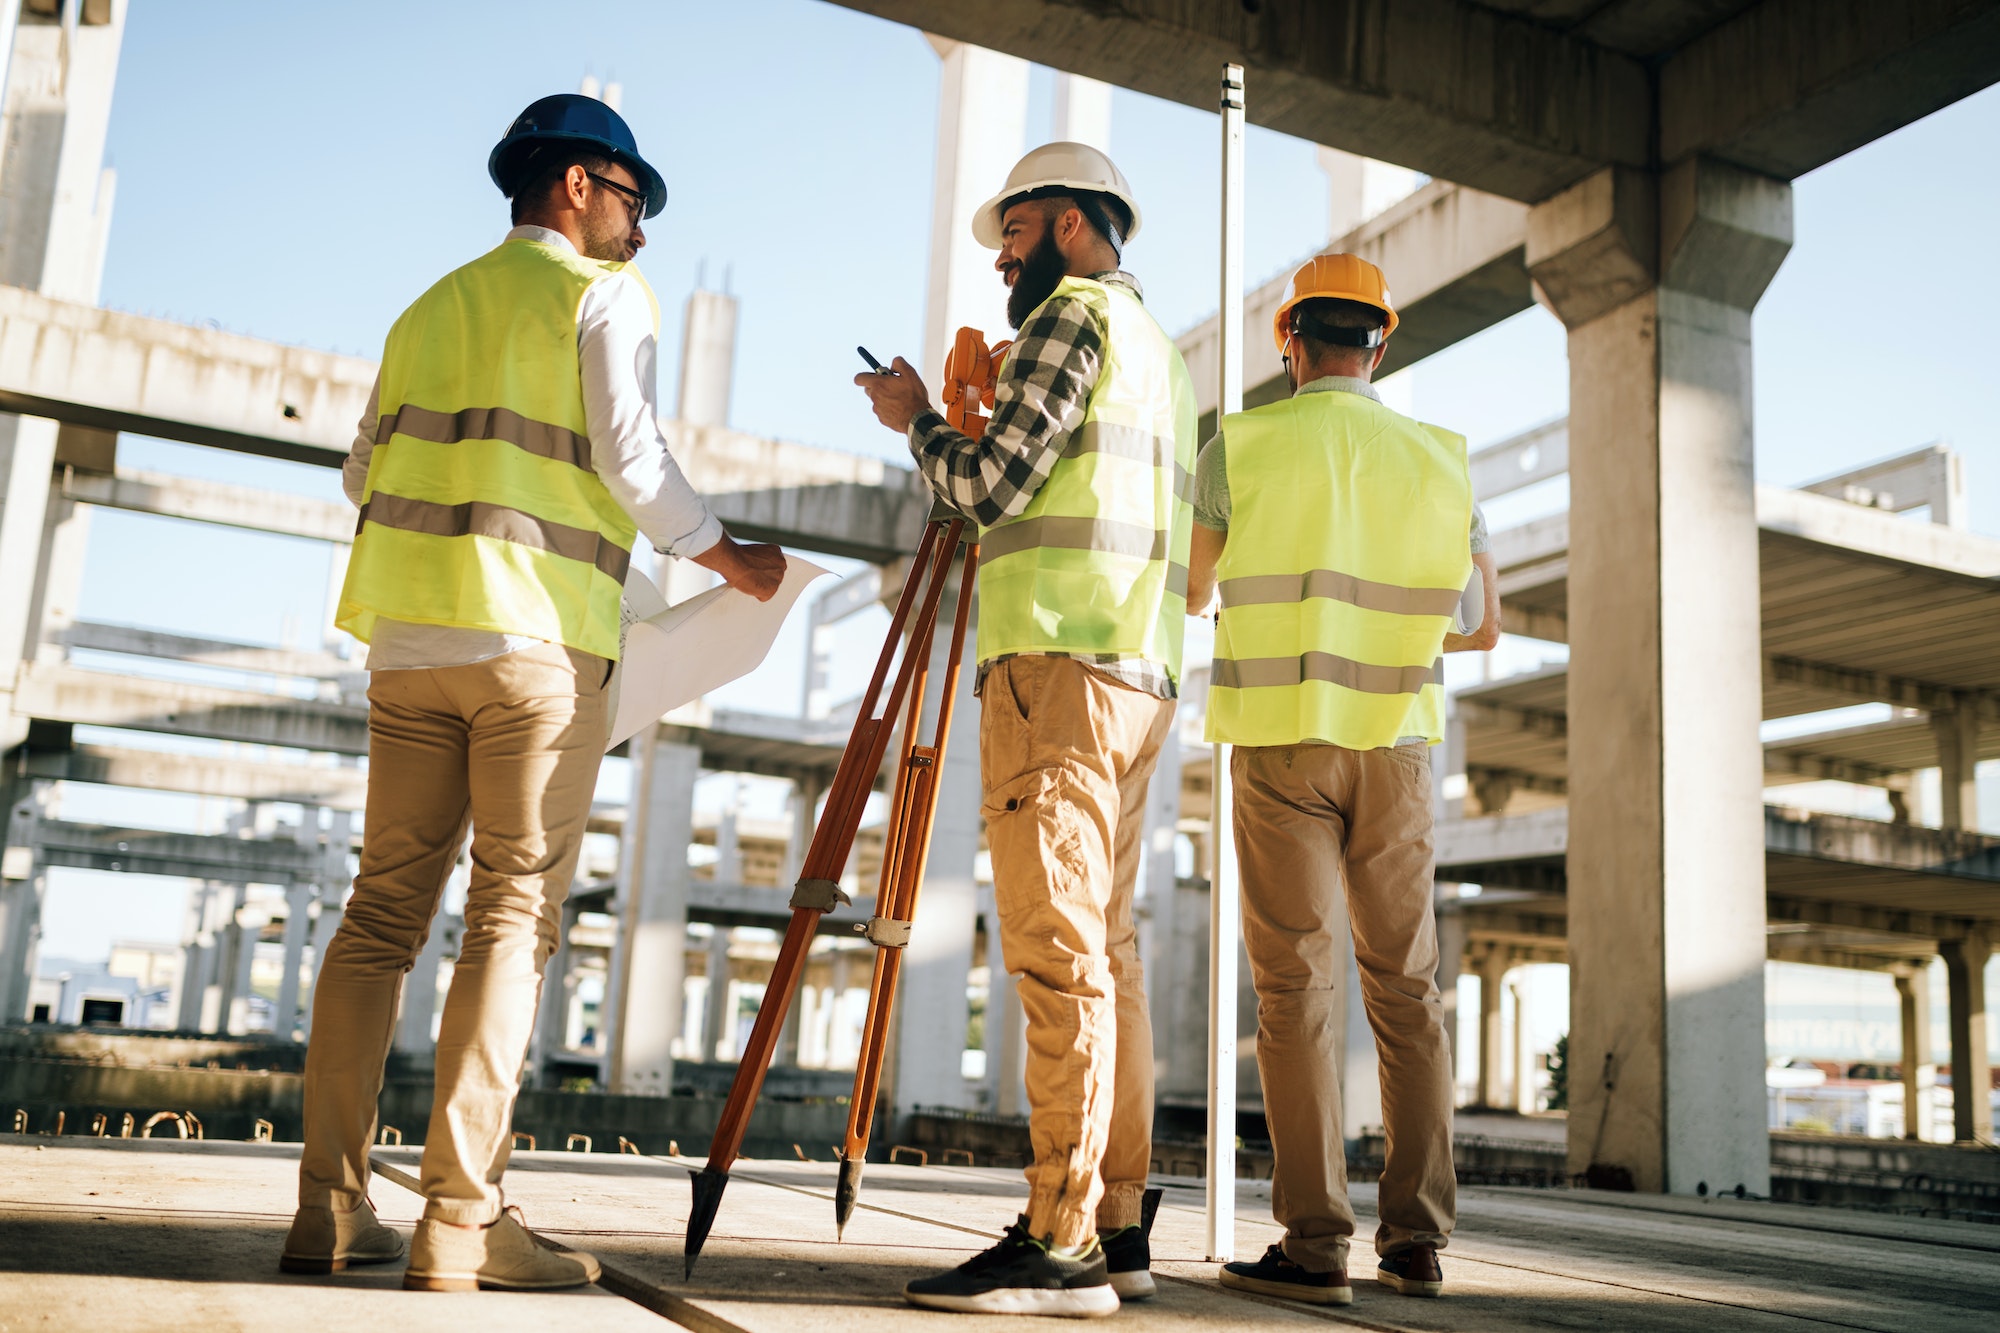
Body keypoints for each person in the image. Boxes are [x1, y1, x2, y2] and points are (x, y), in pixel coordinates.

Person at [281, 93, 784, 1293]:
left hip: (409, 640)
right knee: (510, 915)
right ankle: (460, 1220)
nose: (641, 231)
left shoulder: (428, 308)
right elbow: (631, 457)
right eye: (633, 200)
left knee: (379, 916)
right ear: (576, 184)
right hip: (536, 650)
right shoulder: (600, 294)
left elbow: (361, 472)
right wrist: (728, 557)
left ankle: (327, 1209)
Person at [856, 142, 1195, 1318]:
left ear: (1068, 224)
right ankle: (1116, 1224)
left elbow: (992, 487)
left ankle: (1056, 1240)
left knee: (1056, 953)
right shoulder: (1159, 351)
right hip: (1135, 672)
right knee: (1106, 954)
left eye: (1013, 231)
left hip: (1054, 667)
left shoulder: (1070, 318)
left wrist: (917, 422)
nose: (1001, 258)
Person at [1185, 254, 1499, 1307]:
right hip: (1396, 746)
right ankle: (1416, 1240)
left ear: (1290, 340)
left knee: (1294, 990)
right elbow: (1482, 625)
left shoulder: (1238, 447)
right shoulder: (1441, 461)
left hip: (1280, 742)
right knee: (1406, 990)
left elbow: (1192, 590)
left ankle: (1315, 1242)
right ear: (1381, 342)